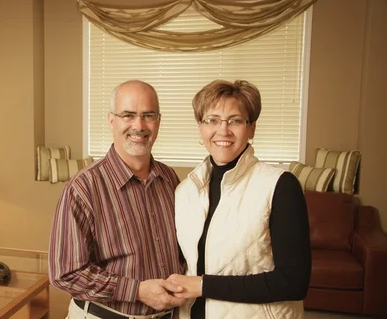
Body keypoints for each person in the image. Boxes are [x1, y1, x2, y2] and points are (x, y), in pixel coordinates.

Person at [169, 79, 311, 319]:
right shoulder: (185, 191)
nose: (223, 130)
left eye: (235, 120)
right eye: (212, 120)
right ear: (200, 127)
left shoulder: (280, 185)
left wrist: (202, 285)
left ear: (252, 128)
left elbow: (294, 281)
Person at [49, 80, 186, 319]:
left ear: (159, 121)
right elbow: (65, 273)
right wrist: (137, 290)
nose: (139, 125)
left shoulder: (169, 178)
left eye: (148, 115)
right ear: (111, 119)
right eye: (128, 115)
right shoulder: (83, 188)